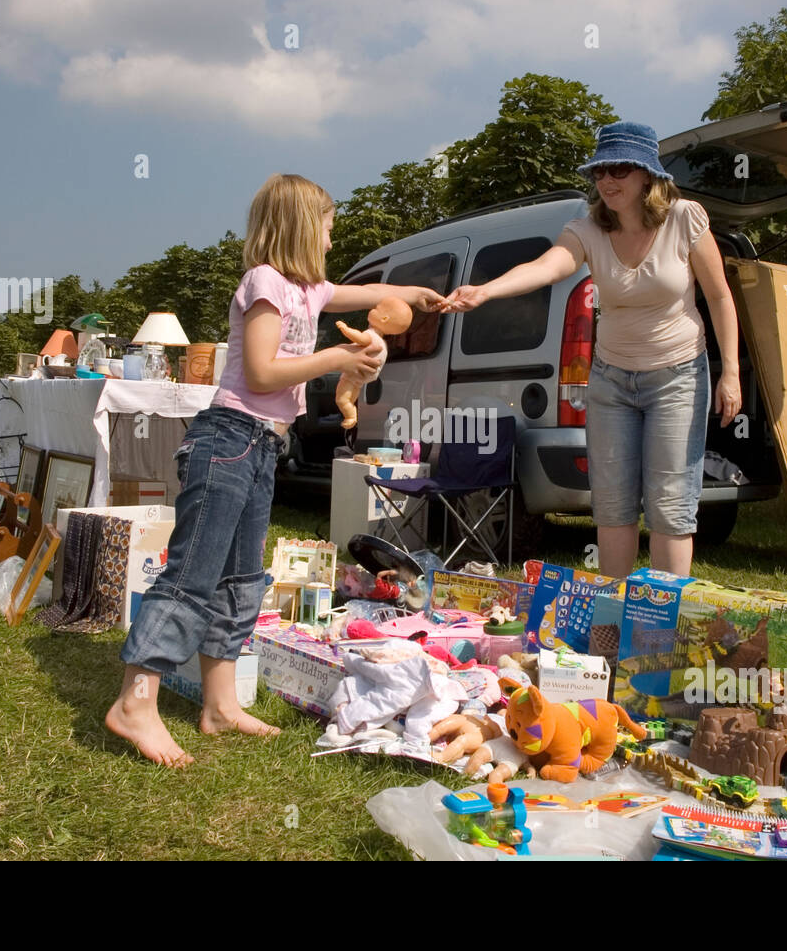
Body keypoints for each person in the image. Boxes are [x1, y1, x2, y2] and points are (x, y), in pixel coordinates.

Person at [106, 173, 448, 767]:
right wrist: (335, 359)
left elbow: (355, 294)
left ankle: (218, 705)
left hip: (264, 447)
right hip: (228, 440)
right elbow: (262, 372)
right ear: (297, 225)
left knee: (241, 580)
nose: (331, 236)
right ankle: (135, 703)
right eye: (326, 225)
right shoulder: (264, 282)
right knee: (192, 575)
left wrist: (415, 293)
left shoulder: (308, 289)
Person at [446, 121, 741, 580]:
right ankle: (611, 619)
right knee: (613, 505)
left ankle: (658, 627)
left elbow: (720, 296)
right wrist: (487, 291)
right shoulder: (585, 230)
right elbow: (547, 266)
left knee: (669, 505)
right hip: (611, 381)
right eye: (601, 171)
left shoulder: (685, 218)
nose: (607, 180)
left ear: (648, 176)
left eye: (620, 170)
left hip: (679, 375)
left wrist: (732, 373)